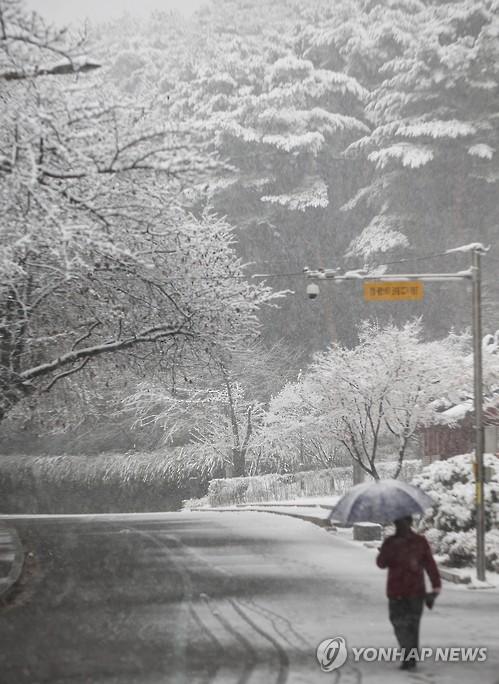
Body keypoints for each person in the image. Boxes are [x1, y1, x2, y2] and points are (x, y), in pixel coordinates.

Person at [376, 515, 441, 671]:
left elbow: (381, 563)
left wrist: (385, 551)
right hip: (415, 591)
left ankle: (408, 654)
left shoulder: (391, 542)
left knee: (399, 623)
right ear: (411, 523)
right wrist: (435, 586)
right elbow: (429, 564)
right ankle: (410, 655)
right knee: (413, 624)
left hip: (397, 591)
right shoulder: (419, 541)